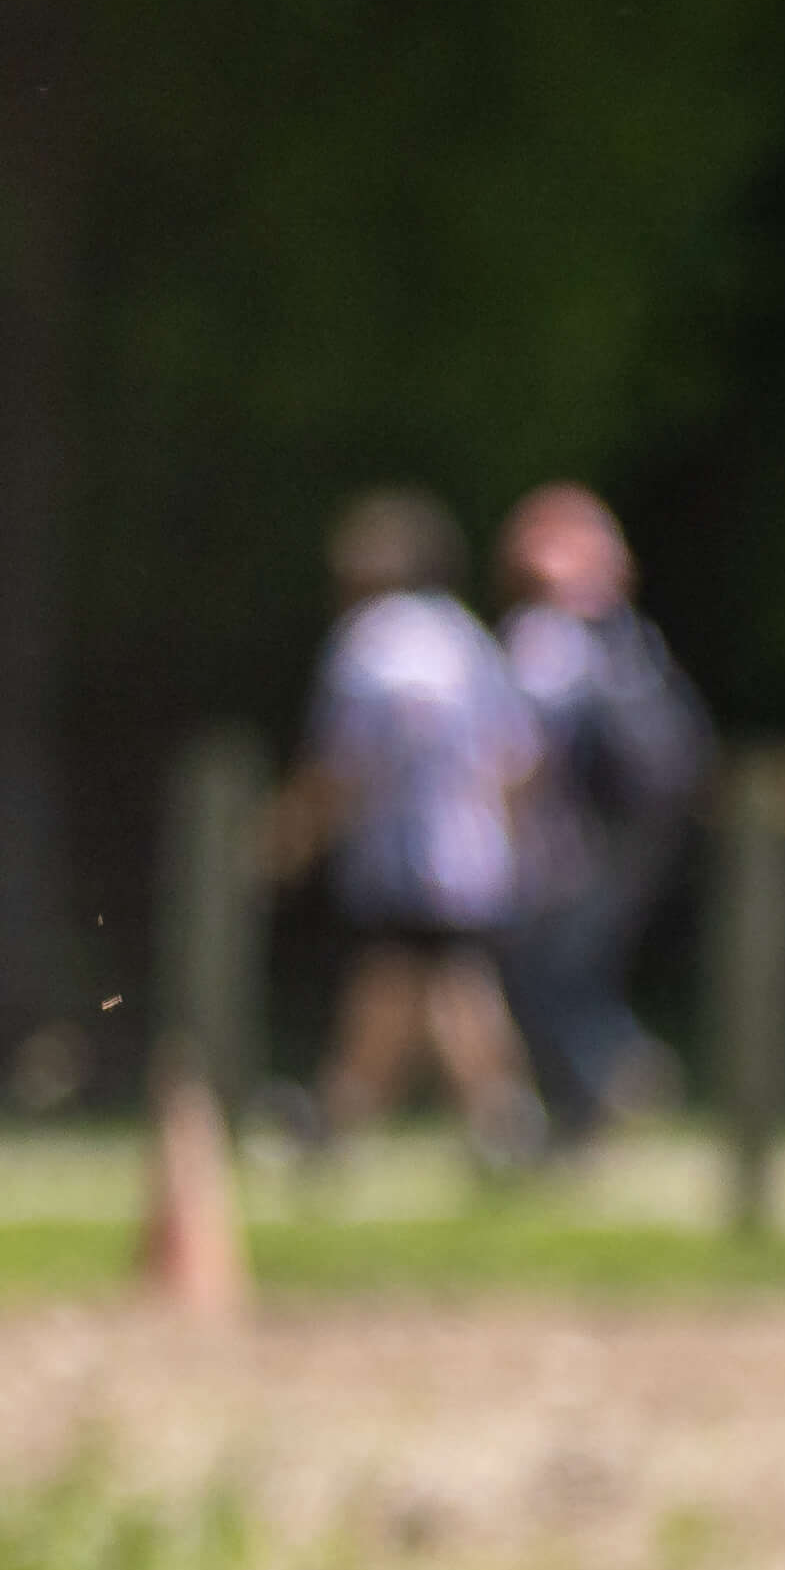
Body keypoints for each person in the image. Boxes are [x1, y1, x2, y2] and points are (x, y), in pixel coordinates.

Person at [277, 485, 539, 1163]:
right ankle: (484, 1120)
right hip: (474, 854)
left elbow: (342, 762)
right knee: (436, 985)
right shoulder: (466, 637)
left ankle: (346, 1120)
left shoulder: (368, 642)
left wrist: (292, 833)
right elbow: (516, 759)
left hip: (403, 855)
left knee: (412, 984)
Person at [492, 482, 711, 1132]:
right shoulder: (629, 637)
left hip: (573, 844)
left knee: (545, 977)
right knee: (578, 973)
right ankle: (592, 1106)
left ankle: (617, 1074)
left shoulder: (546, 634)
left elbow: (527, 744)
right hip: (641, 833)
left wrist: (501, 823)